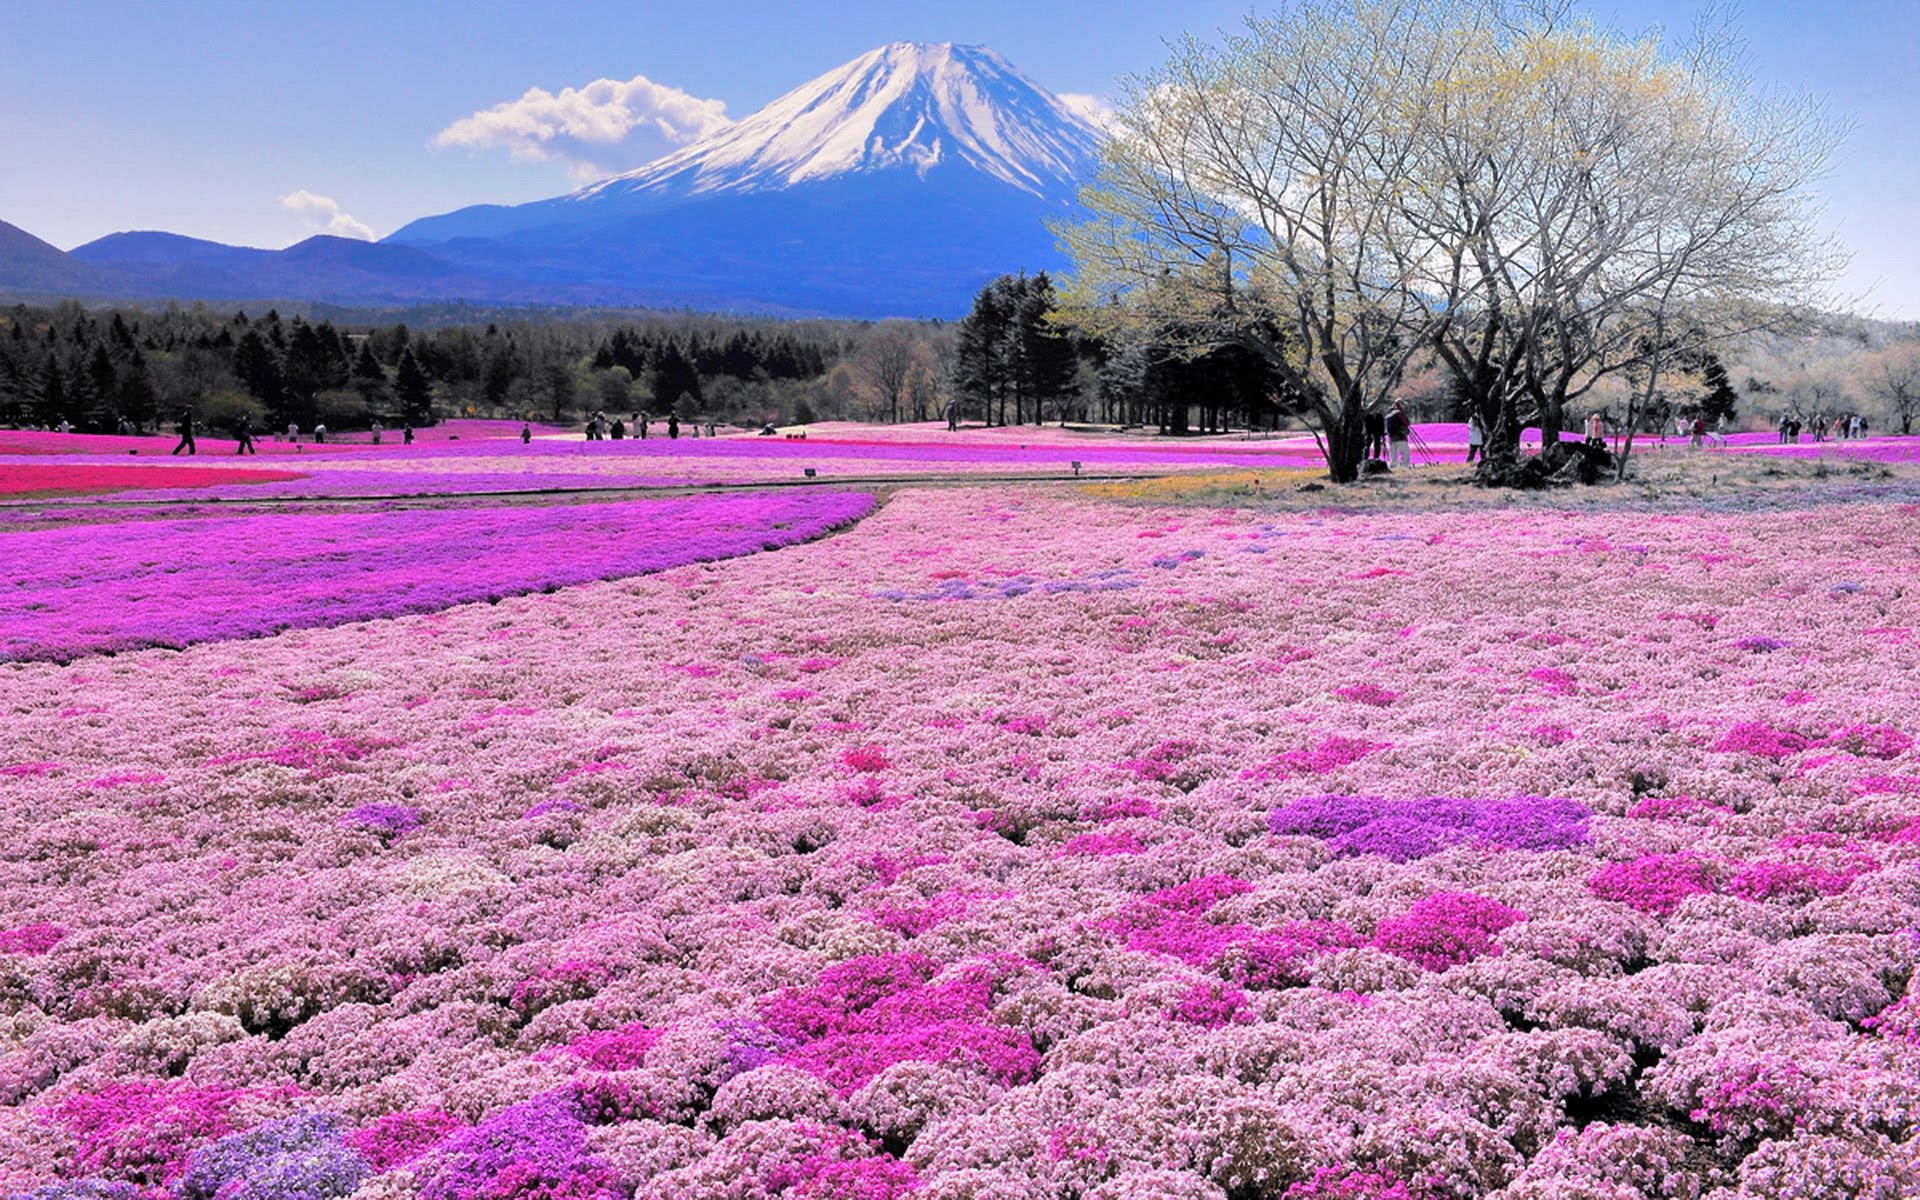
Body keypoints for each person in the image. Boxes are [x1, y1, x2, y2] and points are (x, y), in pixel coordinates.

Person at [1385, 402, 1411, 468]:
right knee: (1405, 452)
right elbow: (1407, 423)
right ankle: (1404, 466)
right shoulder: (1400, 413)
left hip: (1391, 437)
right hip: (1400, 436)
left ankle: (1393, 466)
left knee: (1393, 454)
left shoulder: (1389, 414)